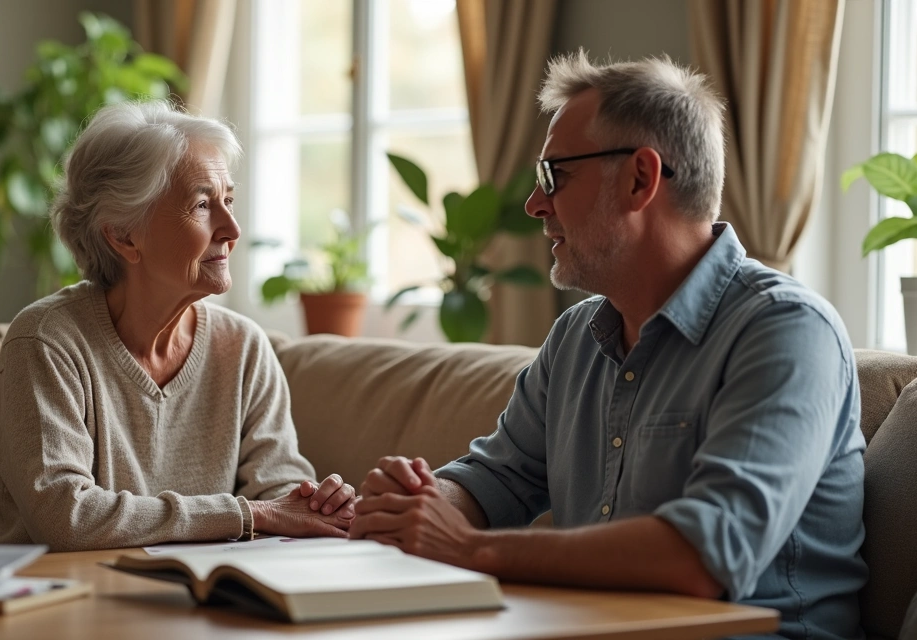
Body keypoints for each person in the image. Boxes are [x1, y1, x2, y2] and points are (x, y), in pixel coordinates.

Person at [351, 51, 866, 640]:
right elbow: (498, 479)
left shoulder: (786, 331)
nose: (534, 205)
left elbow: (705, 555)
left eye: (554, 176)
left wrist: (471, 548)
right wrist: (422, 499)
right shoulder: (576, 336)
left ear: (640, 178)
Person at [0, 101, 355, 551]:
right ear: (124, 235)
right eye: (203, 204)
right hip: (31, 599)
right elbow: (66, 517)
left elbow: (281, 497)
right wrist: (251, 515)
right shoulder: (47, 342)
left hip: (178, 595)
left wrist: (322, 505)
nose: (232, 228)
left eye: (228, 200)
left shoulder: (243, 347)